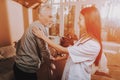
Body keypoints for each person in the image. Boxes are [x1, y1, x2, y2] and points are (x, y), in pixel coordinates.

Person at [32, 5, 102, 80]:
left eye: (80, 19)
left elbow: (63, 50)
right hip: (70, 73)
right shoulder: (85, 37)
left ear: (89, 22)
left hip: (77, 77)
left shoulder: (93, 45)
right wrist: (58, 59)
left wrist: (42, 36)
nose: (78, 22)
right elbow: (75, 53)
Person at [13, 4, 55, 80]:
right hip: (26, 70)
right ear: (40, 16)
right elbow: (44, 50)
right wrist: (50, 64)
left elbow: (19, 43)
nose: (52, 20)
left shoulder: (34, 24)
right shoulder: (40, 28)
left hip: (18, 66)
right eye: (50, 16)